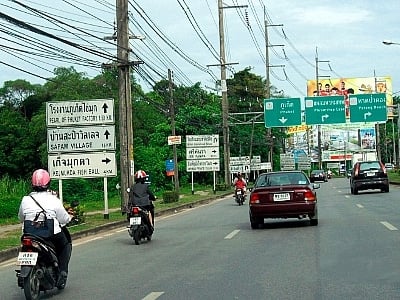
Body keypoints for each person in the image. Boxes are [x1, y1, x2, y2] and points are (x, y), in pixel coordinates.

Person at [18, 169, 72, 288]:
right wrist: (69, 218)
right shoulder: (53, 199)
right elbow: (64, 219)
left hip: (29, 234)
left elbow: (21, 218)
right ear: (48, 183)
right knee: (65, 245)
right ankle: (62, 272)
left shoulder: (25, 200)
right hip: (50, 234)